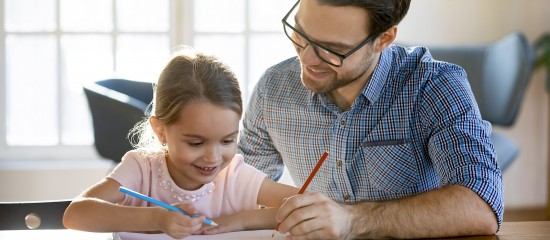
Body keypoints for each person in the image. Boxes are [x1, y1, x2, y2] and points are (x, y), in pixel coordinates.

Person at [238, 0, 503, 239]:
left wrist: (351, 220)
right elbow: (238, 192)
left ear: (383, 39)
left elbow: (481, 206)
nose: (306, 58)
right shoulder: (272, 89)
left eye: (332, 49)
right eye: (300, 33)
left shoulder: (434, 85)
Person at [63, 47, 298, 239]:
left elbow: (306, 205)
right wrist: (158, 219)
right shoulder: (141, 170)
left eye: (227, 140)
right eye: (196, 143)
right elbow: (75, 215)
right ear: (160, 130)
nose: (213, 157)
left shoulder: (235, 176)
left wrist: (240, 220)